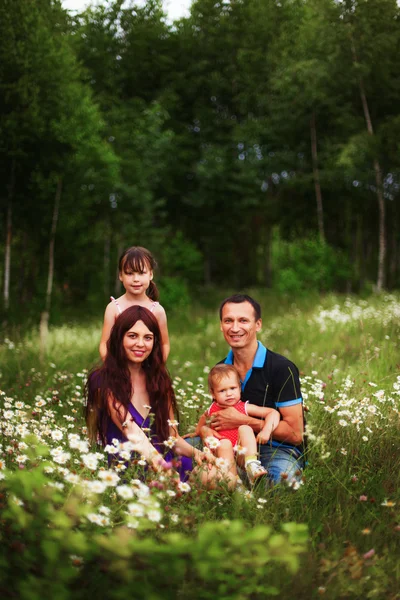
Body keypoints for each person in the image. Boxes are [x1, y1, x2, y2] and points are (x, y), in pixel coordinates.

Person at [87, 306, 204, 481]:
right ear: (119, 338)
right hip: (132, 468)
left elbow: (172, 437)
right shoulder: (102, 380)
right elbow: (132, 431)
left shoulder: (159, 379)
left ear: (155, 342)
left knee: (220, 477)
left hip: (169, 463)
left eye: (148, 338)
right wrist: (164, 469)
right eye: (132, 336)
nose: (140, 344)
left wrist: (197, 454)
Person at [208, 294, 305, 486]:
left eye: (243, 320)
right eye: (228, 321)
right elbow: (217, 417)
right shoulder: (222, 369)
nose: (235, 328)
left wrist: (243, 421)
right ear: (221, 325)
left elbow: (295, 434)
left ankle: (237, 479)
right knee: (179, 457)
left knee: (280, 483)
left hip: (276, 448)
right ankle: (235, 478)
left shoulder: (280, 368)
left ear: (258, 324)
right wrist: (204, 432)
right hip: (231, 444)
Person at [192, 364, 280, 486]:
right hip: (222, 455)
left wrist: (266, 431)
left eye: (232, 388)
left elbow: (273, 412)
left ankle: (252, 464)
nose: (229, 394)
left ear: (239, 388)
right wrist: (200, 430)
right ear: (213, 393)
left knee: (245, 428)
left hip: (241, 455)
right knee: (224, 444)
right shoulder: (211, 410)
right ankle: (235, 483)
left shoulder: (243, 407)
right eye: (222, 390)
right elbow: (201, 422)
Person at [99, 246, 170, 362]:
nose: (136, 279)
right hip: (119, 373)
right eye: (130, 273)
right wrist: (112, 369)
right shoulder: (113, 308)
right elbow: (104, 344)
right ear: (120, 275)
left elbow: (164, 344)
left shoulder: (157, 311)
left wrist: (156, 369)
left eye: (141, 273)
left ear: (151, 274)